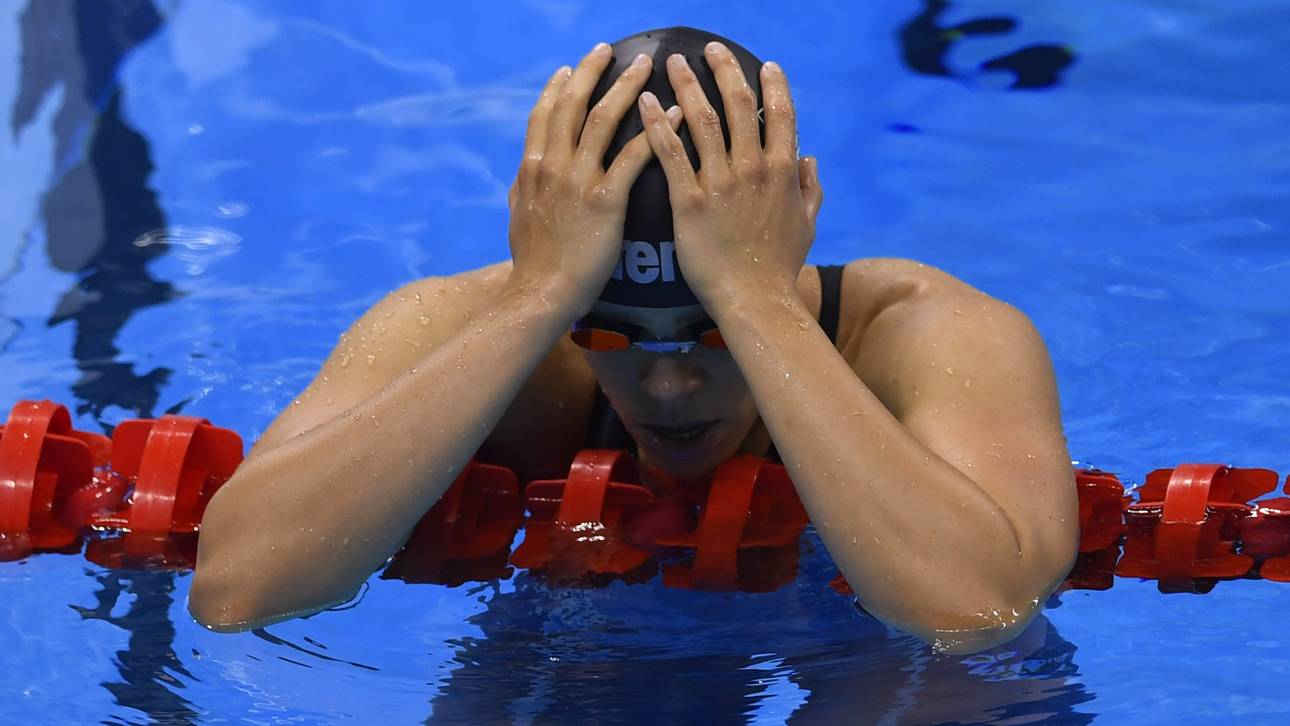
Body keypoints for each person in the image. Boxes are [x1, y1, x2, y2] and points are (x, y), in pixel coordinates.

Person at [189, 27, 1078, 653]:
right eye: (610, 335)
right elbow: (237, 592)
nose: (668, 389)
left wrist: (757, 302)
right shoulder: (481, 327)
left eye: (710, 334)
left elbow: (975, 612)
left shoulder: (923, 331)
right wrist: (537, 298)